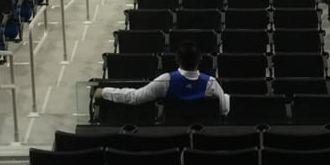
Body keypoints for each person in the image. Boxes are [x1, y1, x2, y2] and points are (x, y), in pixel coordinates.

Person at [96, 41, 230, 115]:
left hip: (171, 133)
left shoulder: (166, 80)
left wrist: (104, 92)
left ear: (177, 60)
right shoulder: (211, 83)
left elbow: (135, 97)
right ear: (200, 60)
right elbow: (224, 109)